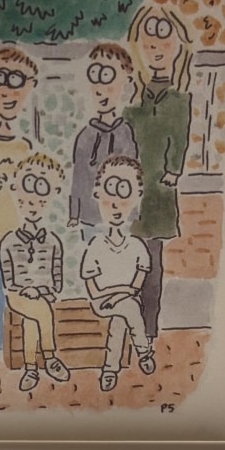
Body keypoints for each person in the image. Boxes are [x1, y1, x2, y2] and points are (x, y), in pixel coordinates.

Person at [122, 2, 193, 341]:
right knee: (126, 264)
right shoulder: (133, 102)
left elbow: (179, 141)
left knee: (151, 264)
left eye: (164, 42)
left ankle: (148, 330)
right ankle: (128, 327)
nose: (156, 50)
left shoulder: (178, 101)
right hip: (128, 192)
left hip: (158, 194)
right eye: (148, 43)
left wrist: (173, 171)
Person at [0, 46, 39, 353]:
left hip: (19, 237)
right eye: (0, 79)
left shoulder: (26, 147)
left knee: (22, 293)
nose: (7, 91)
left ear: (29, 86)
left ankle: (25, 348)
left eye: (17, 80)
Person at [80, 156, 157, 392]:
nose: (115, 204)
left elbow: (136, 285)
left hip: (124, 302)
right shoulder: (96, 246)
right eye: (110, 190)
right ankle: (143, 351)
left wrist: (121, 294)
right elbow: (94, 290)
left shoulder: (137, 246)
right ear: (97, 194)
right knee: (129, 307)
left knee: (121, 318)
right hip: (102, 303)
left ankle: (109, 370)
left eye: (124, 192)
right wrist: (119, 292)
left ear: (136, 198)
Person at [0, 153, 71, 391]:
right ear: (15, 190)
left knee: (33, 318)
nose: (33, 200)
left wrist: (43, 290)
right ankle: (50, 358)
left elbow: (57, 277)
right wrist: (25, 290)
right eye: (27, 186)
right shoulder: (9, 241)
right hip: (17, 296)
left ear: (52, 195)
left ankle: (31, 369)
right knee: (40, 311)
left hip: (42, 295)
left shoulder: (53, 242)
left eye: (42, 191)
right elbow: (8, 279)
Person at [68, 43, 138, 239]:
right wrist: (74, 214)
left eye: (107, 76)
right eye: (95, 76)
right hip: (90, 218)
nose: (100, 89)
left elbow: (133, 177)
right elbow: (78, 179)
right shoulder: (85, 136)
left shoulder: (125, 133)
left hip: (121, 217)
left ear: (125, 85)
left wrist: (133, 212)